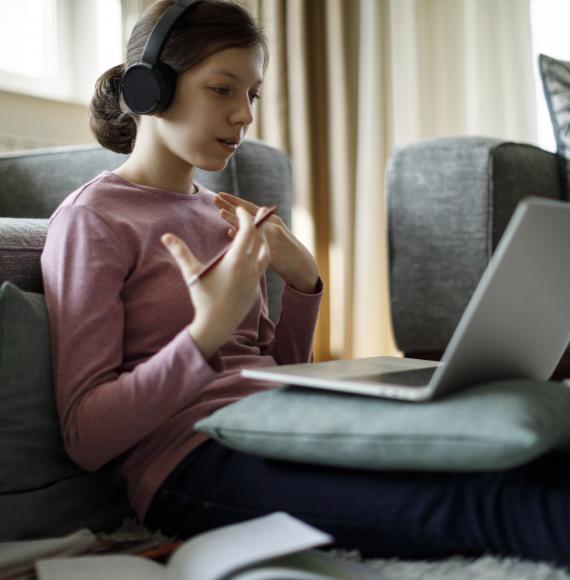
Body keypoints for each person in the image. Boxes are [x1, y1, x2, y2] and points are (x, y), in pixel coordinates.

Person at [41, 0, 570, 568]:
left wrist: (303, 284)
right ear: (151, 90)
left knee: (530, 458)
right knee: (491, 501)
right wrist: (202, 338)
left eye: (253, 95)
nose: (244, 115)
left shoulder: (218, 212)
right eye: (223, 89)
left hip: (281, 427)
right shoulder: (92, 220)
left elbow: (274, 372)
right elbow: (86, 434)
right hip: (188, 464)